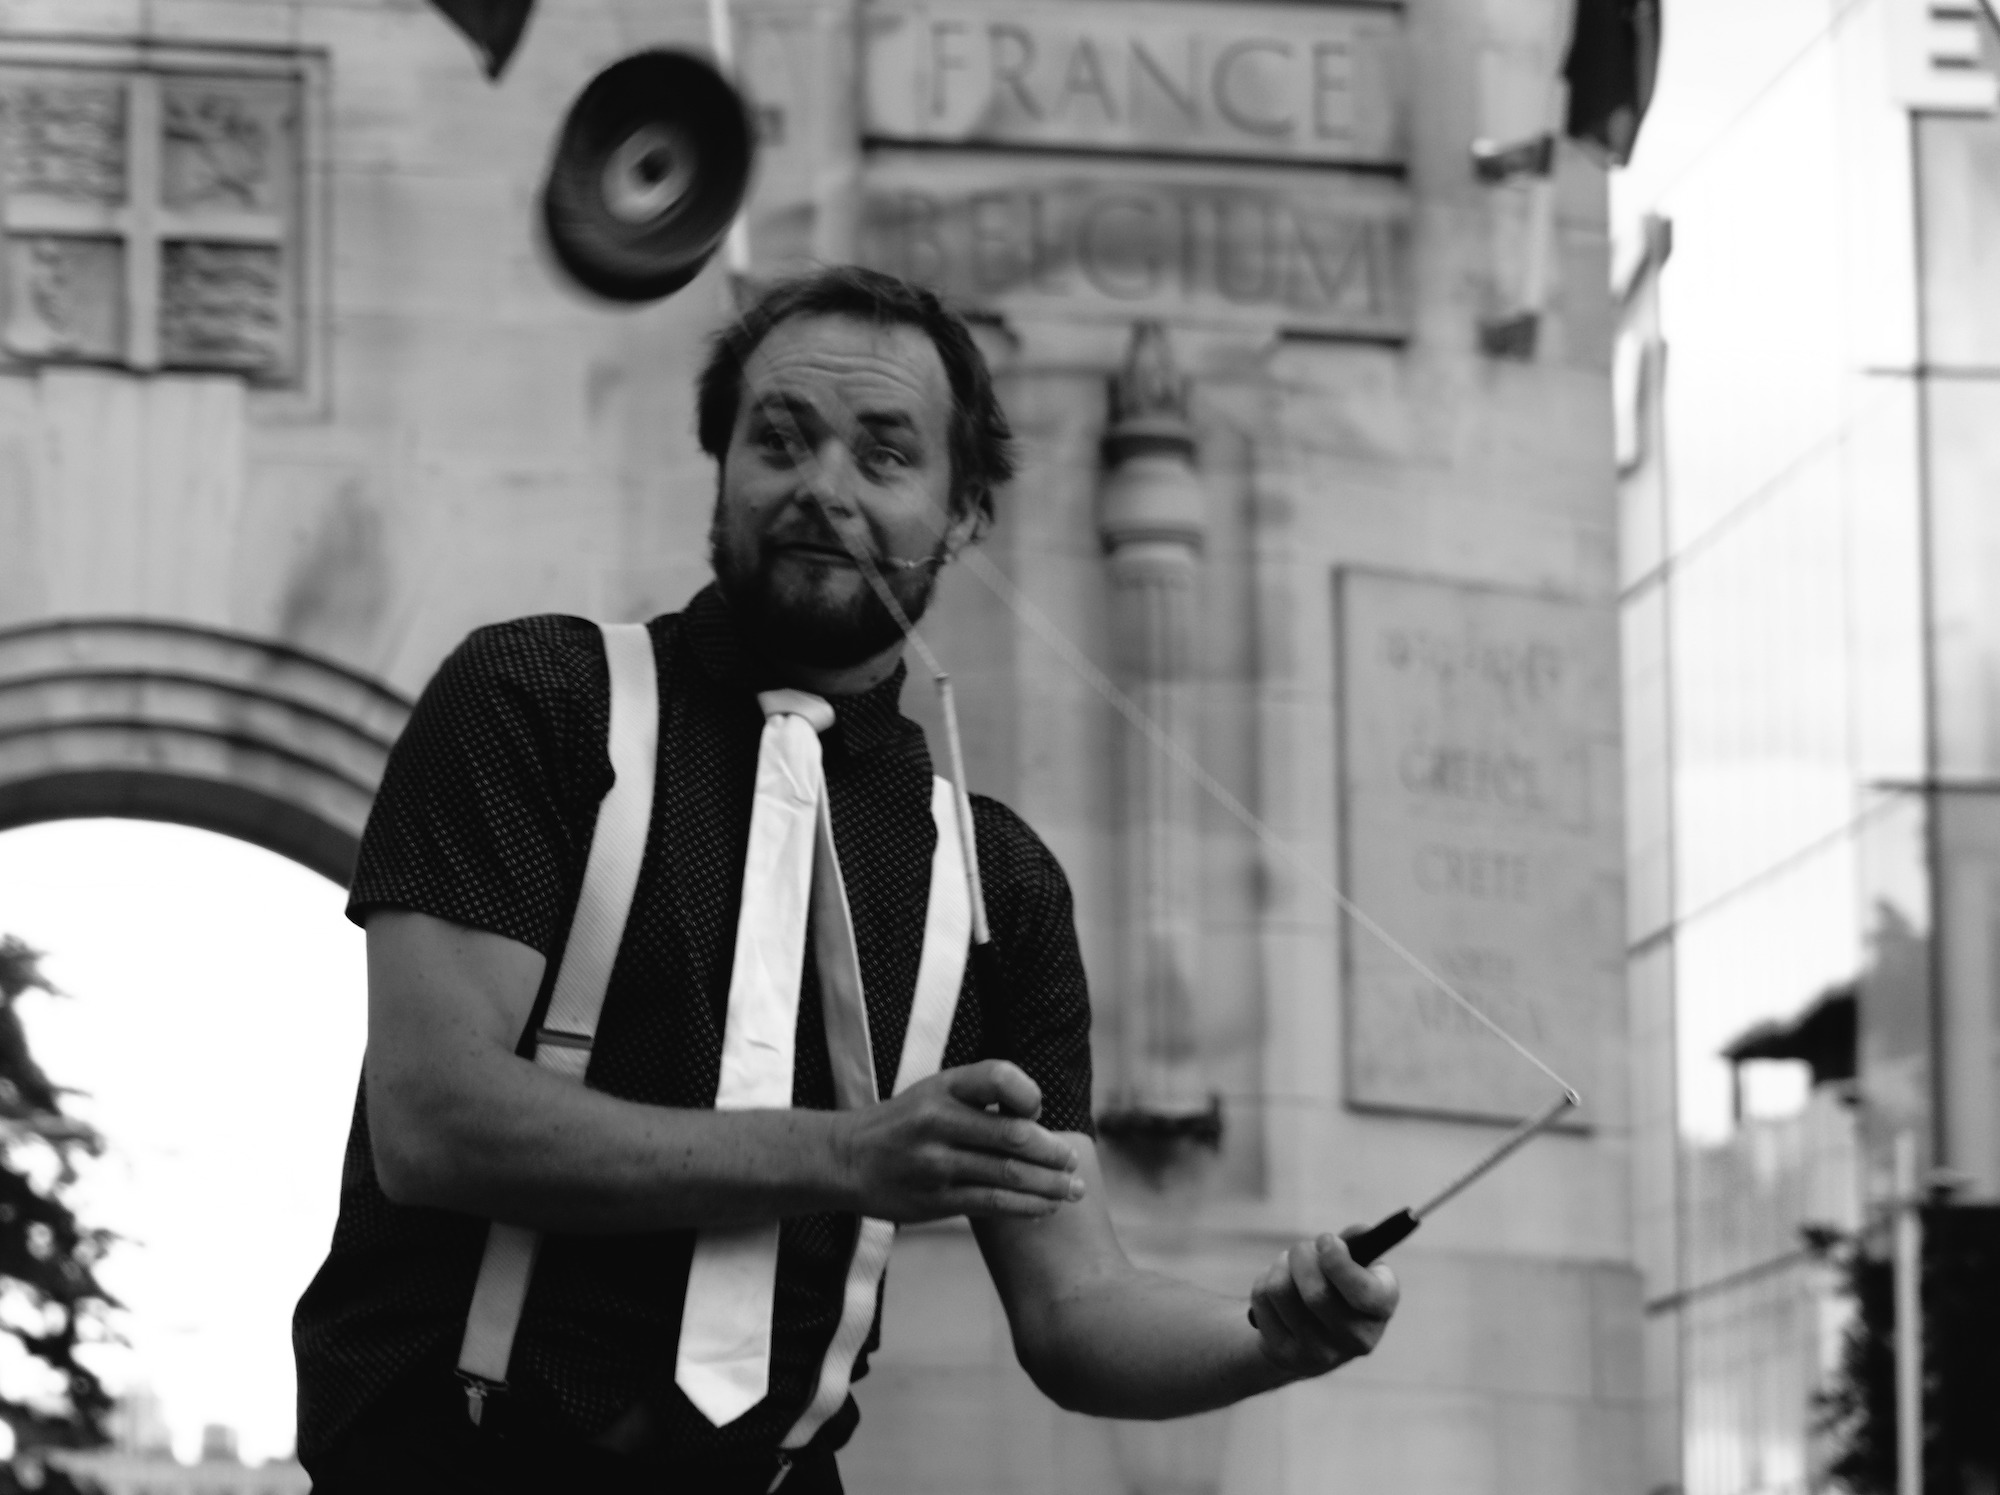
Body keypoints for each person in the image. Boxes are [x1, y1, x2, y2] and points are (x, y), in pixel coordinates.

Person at [293, 266, 1398, 1494]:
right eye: (779, 439)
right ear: (720, 466)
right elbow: (434, 1121)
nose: (822, 487)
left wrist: (1267, 1340)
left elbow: (1077, 1303)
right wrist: (850, 1155)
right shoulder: (539, 703)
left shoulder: (997, 884)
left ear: (963, 510)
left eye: (883, 455)